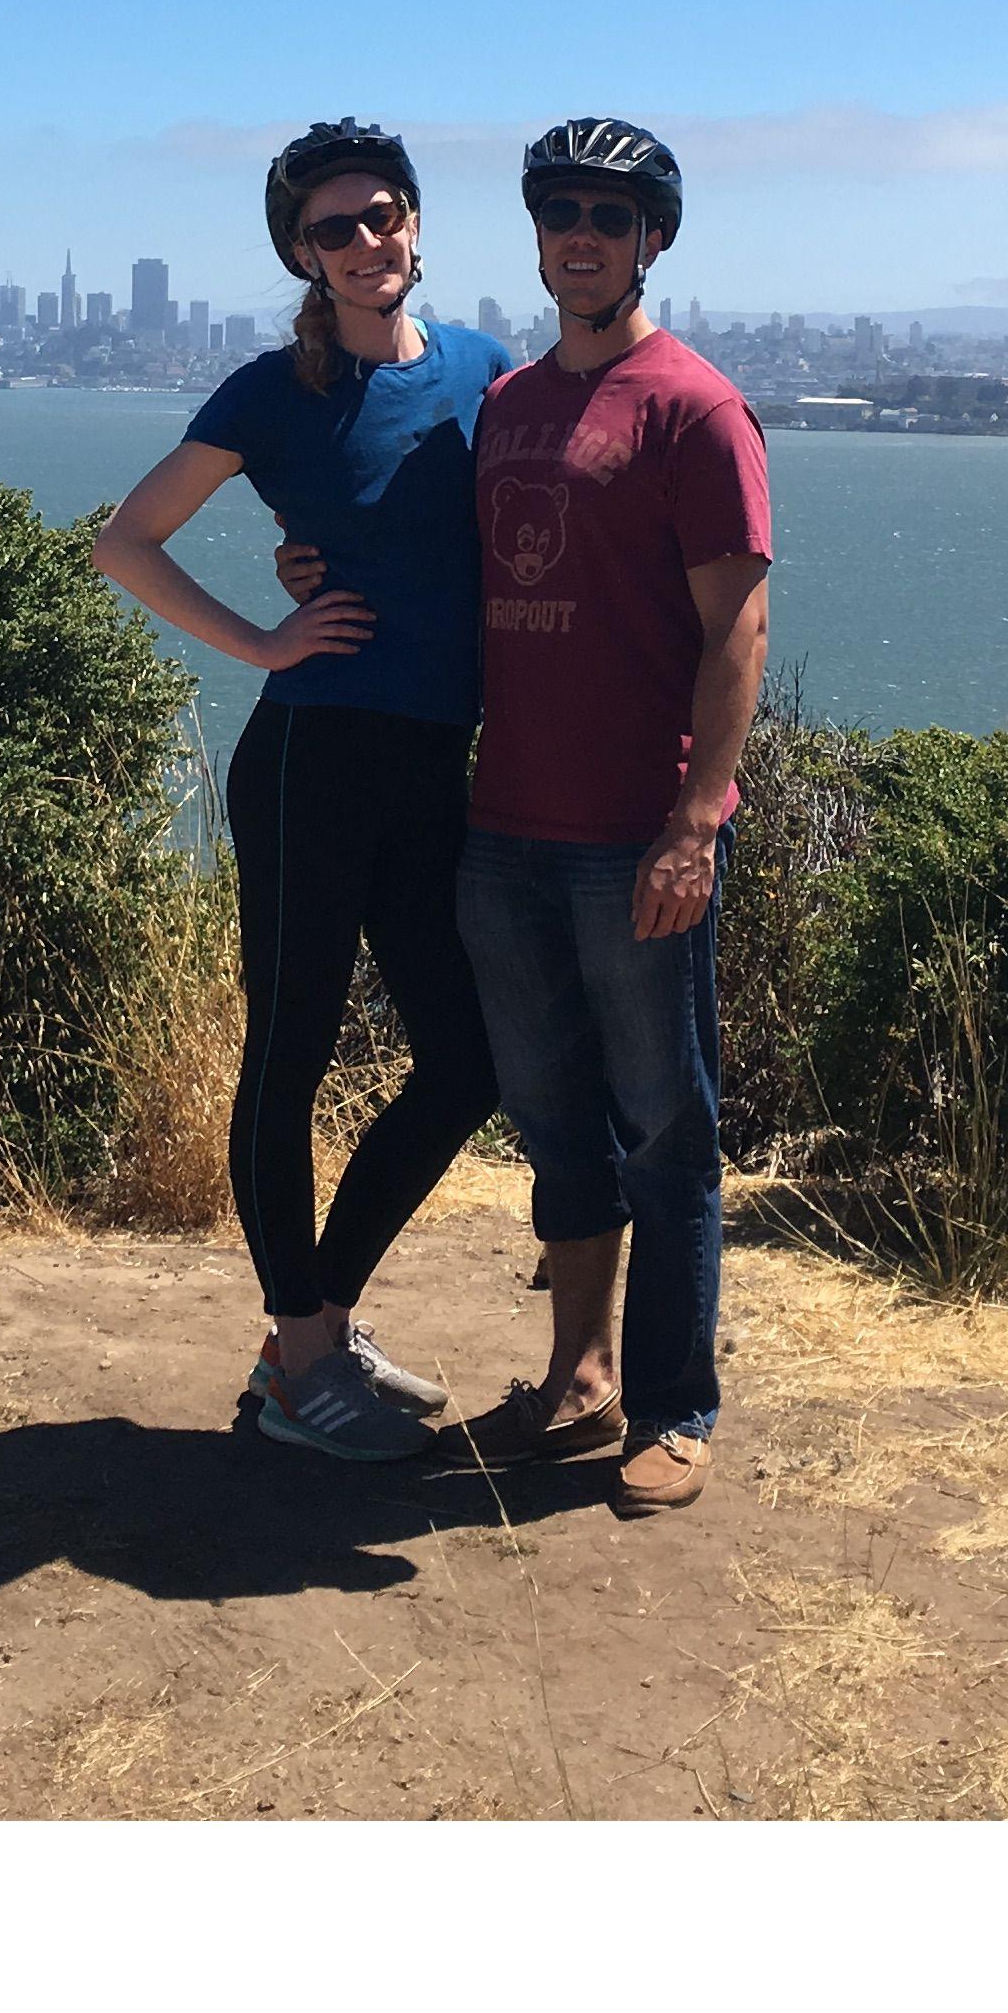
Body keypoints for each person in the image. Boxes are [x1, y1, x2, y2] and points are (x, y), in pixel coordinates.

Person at [89, 121, 511, 1465]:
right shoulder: (273, 392)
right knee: (291, 1056)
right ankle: (305, 1353)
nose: (368, 242)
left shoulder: (488, 376)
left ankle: (311, 1333)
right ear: (301, 254)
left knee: (466, 1062)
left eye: (384, 215)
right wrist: (263, 639)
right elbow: (127, 541)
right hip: (311, 760)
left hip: (433, 765)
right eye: (336, 229)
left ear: (418, 225)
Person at [445, 116, 770, 1520]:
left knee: (664, 1126)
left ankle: (674, 1404)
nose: (582, 231)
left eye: (610, 212)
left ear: (653, 240)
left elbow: (739, 630)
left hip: (636, 837)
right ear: (536, 231)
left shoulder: (694, 407)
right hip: (504, 824)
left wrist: (695, 823)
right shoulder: (509, 402)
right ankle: (576, 1381)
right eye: (561, 208)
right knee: (555, 1119)